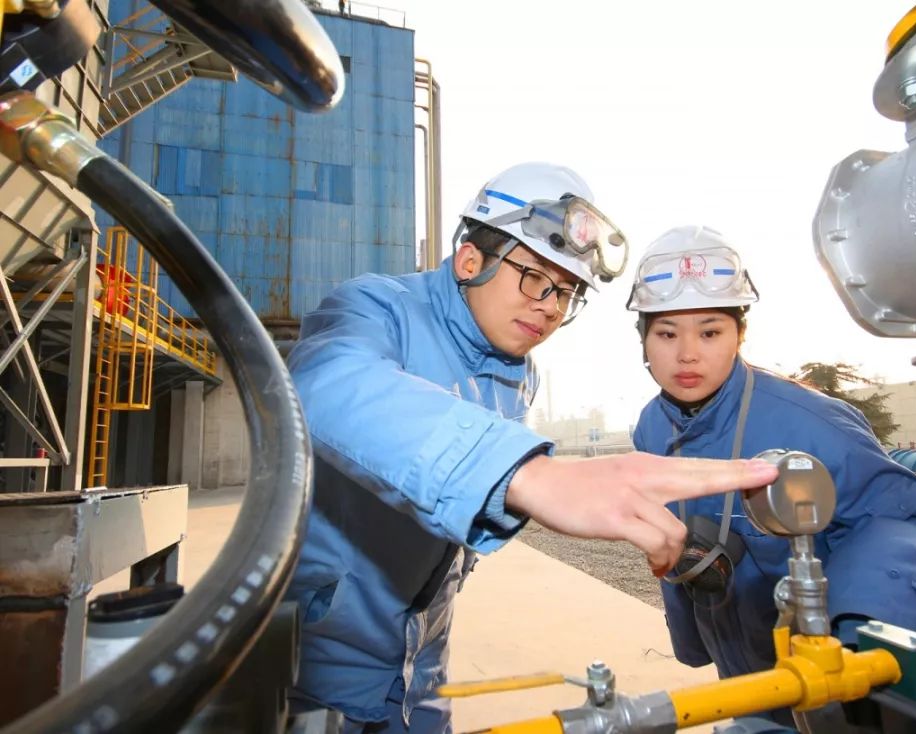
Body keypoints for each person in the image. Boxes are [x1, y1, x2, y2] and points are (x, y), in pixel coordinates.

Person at [284, 168, 779, 733]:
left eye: (567, 292)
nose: (550, 306)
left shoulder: (520, 375)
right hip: (321, 660)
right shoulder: (377, 308)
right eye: (535, 278)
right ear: (472, 260)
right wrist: (531, 475)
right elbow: (326, 383)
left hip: (422, 659)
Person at [626, 225, 916, 727]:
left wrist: (862, 641)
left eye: (710, 332)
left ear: (739, 335)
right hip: (743, 672)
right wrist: (691, 634)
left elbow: (913, 524)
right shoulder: (651, 427)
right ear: (643, 339)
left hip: (831, 680)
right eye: (666, 333)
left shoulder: (812, 423)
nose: (687, 354)